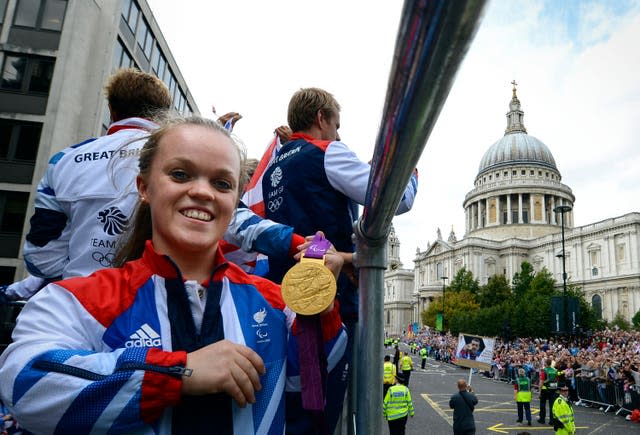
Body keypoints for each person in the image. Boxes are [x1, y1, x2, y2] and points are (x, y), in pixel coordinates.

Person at [0, 116, 347, 434]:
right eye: (181, 174)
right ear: (144, 187)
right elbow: (25, 386)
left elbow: (307, 384)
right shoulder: (76, 300)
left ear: (235, 201)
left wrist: (318, 306)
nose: (202, 191)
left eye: (222, 183)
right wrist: (177, 372)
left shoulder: (275, 302)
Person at [22, 68, 305, 287]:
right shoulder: (174, 157)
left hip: (78, 302)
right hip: (159, 304)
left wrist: (80, 277)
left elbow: (40, 257)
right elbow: (241, 225)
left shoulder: (65, 161)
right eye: (180, 176)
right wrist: (305, 245)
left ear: (112, 110)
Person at [262, 87, 418, 433]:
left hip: (281, 299)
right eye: (336, 123)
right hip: (327, 306)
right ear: (321, 118)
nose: (338, 133)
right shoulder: (326, 152)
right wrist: (411, 169)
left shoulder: (274, 165)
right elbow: (393, 199)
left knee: (293, 414)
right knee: (325, 416)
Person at [538, 358, 560, 424]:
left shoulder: (544, 371)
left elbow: (541, 382)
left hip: (545, 389)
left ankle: (542, 419)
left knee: (542, 404)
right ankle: (552, 420)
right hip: (553, 389)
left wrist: (539, 391)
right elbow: (557, 380)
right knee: (552, 405)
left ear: (545, 363)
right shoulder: (555, 370)